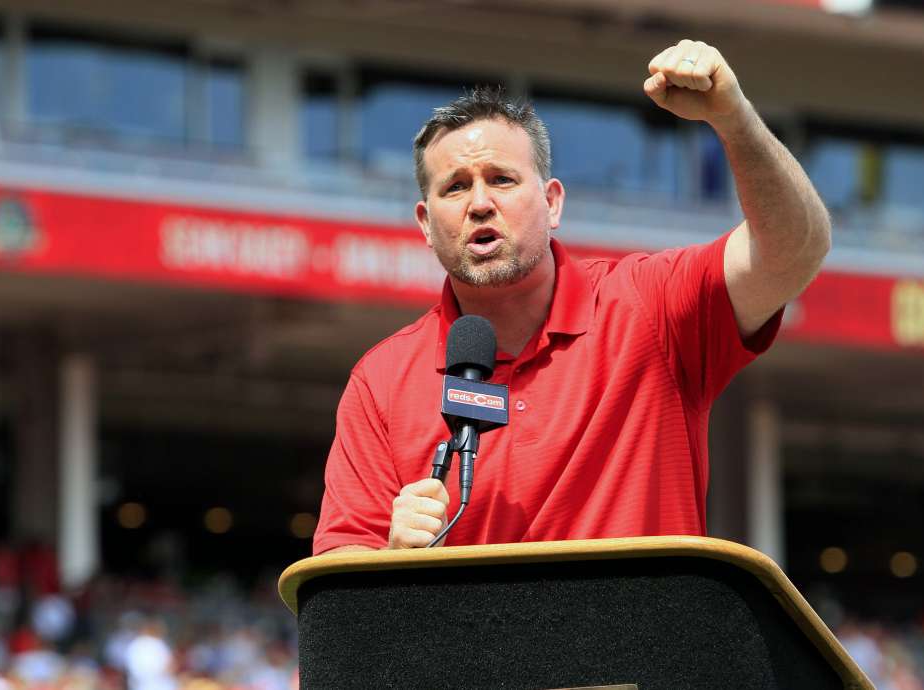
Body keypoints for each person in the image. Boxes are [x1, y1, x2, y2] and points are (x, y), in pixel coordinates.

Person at [313, 39, 831, 552]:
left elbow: (794, 250)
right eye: (454, 187)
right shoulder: (379, 382)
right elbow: (337, 578)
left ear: (552, 203)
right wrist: (390, 559)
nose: (480, 203)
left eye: (502, 179)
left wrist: (734, 119)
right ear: (425, 224)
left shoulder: (651, 307)